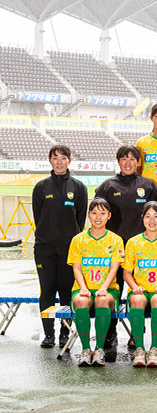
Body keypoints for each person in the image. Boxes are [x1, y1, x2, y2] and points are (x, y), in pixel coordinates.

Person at [95, 145, 157, 347]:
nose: (128, 162)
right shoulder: (107, 186)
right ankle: (110, 332)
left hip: (141, 250)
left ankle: (136, 333)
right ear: (118, 162)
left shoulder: (149, 185)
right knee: (113, 290)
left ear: (138, 162)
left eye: (132, 159)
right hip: (113, 248)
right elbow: (98, 215)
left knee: (138, 292)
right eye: (124, 158)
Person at [32, 144, 88, 348]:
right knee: (47, 291)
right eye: (55, 158)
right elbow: (38, 217)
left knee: (66, 291)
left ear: (69, 161)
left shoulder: (79, 187)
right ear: (50, 161)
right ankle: (48, 334)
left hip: (68, 250)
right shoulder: (41, 187)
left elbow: (80, 220)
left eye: (63, 158)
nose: (59, 162)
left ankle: (65, 333)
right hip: (44, 249)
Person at [67, 198, 124, 366]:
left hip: (108, 289)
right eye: (94, 213)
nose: (98, 217)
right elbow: (77, 268)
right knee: (81, 300)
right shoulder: (78, 240)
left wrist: (104, 288)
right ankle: (86, 350)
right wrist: (83, 288)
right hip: (83, 288)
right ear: (88, 215)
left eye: (102, 213)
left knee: (102, 299)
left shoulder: (116, 240)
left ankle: (99, 349)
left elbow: (114, 269)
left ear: (109, 216)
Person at [123, 202, 157, 367]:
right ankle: (139, 350)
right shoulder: (133, 242)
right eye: (148, 216)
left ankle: (154, 349)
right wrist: (134, 287)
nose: (152, 220)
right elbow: (126, 273)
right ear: (142, 218)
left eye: (156, 216)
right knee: (137, 300)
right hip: (139, 290)